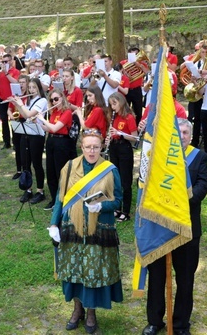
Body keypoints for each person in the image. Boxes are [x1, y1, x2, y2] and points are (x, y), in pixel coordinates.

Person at [48, 128, 123, 334]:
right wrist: (54, 224)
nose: (92, 151)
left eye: (96, 147)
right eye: (88, 147)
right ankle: (76, 309)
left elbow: (118, 200)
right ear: (82, 147)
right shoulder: (70, 167)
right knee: (73, 270)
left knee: (93, 271)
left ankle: (91, 313)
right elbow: (60, 198)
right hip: (71, 227)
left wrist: (102, 207)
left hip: (98, 230)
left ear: (102, 147)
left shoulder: (110, 169)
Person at [142, 119, 207, 335]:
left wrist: (179, 202)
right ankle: (154, 321)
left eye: (186, 132)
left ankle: (180, 323)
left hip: (187, 227)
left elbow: (202, 187)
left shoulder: (199, 157)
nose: (182, 136)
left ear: (191, 135)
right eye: (177, 132)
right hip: (160, 226)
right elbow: (143, 183)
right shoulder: (158, 157)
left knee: (185, 279)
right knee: (157, 277)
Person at [37, 89, 77, 211]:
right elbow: (49, 129)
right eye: (52, 100)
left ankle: (64, 200)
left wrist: (42, 119)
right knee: (51, 171)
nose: (54, 102)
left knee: (61, 172)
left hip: (62, 143)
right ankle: (54, 199)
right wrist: (38, 123)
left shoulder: (67, 112)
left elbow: (55, 128)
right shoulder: (54, 112)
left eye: (56, 99)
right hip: (52, 141)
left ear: (62, 98)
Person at [11, 78, 48, 205]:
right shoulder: (29, 100)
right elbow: (23, 114)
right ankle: (28, 189)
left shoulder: (42, 100)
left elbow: (29, 114)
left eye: (34, 87)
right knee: (25, 162)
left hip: (37, 134)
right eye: (30, 87)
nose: (31, 90)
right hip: (26, 132)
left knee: (37, 163)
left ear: (39, 88)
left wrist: (20, 103)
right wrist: (17, 104)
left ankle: (40, 191)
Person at [105, 93, 138, 222]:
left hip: (125, 149)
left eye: (114, 103)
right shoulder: (114, 117)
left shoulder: (129, 117)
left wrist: (120, 134)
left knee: (125, 181)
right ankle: (117, 208)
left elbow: (135, 138)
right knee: (116, 180)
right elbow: (112, 133)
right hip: (114, 148)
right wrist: (110, 137)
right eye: (111, 104)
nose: (112, 107)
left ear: (121, 102)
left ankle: (126, 211)